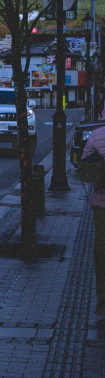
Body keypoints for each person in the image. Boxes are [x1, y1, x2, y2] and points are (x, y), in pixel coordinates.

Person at [79, 111, 105, 316]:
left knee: (101, 248)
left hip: (101, 201)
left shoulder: (96, 135)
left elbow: (84, 162)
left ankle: (102, 299)